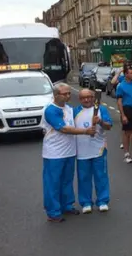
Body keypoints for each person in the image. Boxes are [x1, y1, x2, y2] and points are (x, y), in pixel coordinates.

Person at [42, 83, 96, 222]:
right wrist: (85, 131)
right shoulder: (51, 110)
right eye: (64, 94)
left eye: (68, 93)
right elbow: (64, 129)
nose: (68, 96)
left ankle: (66, 205)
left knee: (67, 181)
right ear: (56, 95)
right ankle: (53, 212)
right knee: (53, 183)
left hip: (69, 152)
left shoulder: (69, 108)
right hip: (54, 153)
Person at [74, 89, 113, 214]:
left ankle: (102, 201)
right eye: (83, 98)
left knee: (101, 176)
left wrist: (100, 121)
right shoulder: (74, 112)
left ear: (93, 97)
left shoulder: (101, 110)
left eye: (89, 97)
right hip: (81, 150)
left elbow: (109, 126)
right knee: (84, 177)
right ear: (80, 99)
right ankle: (86, 202)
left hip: (99, 149)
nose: (86, 100)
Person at [111, 65, 132, 149]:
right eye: (131, 72)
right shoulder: (122, 79)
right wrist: (119, 72)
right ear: (126, 73)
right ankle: (124, 142)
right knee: (126, 126)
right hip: (125, 106)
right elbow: (113, 82)